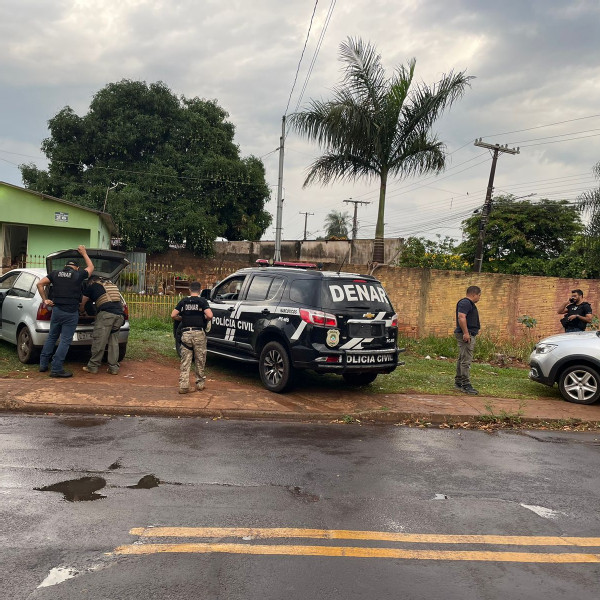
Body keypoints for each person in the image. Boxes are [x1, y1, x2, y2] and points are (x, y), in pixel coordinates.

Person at [37, 245, 94, 377]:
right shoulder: (78, 275)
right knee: (65, 341)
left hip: (56, 310)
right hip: (70, 313)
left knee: (52, 337)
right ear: (77, 268)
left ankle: (43, 364)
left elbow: (40, 284)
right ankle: (56, 369)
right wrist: (84, 253)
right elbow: (91, 268)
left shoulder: (55, 273)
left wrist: (45, 300)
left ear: (65, 266)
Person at [171, 281, 213, 394]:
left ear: (189, 290)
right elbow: (210, 315)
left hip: (186, 334)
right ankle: (200, 384)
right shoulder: (202, 301)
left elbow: (173, 315)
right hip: (199, 334)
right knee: (200, 359)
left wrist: (182, 319)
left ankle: (184, 385)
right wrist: (204, 318)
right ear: (200, 290)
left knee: (186, 360)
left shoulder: (184, 301)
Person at [79, 274, 126, 375]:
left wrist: (82, 312)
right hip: (120, 316)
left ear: (91, 281)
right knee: (113, 342)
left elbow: (82, 302)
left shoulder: (92, 286)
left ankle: (92, 366)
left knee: (99, 341)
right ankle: (113, 368)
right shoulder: (111, 285)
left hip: (106, 316)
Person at [454, 285, 482, 395]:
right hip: (466, 334)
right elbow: (461, 317)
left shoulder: (468, 304)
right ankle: (465, 385)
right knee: (466, 359)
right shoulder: (465, 303)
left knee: (462, 357)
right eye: (479, 296)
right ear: (474, 294)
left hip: (467, 333)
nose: (479, 298)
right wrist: (466, 333)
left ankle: (459, 381)